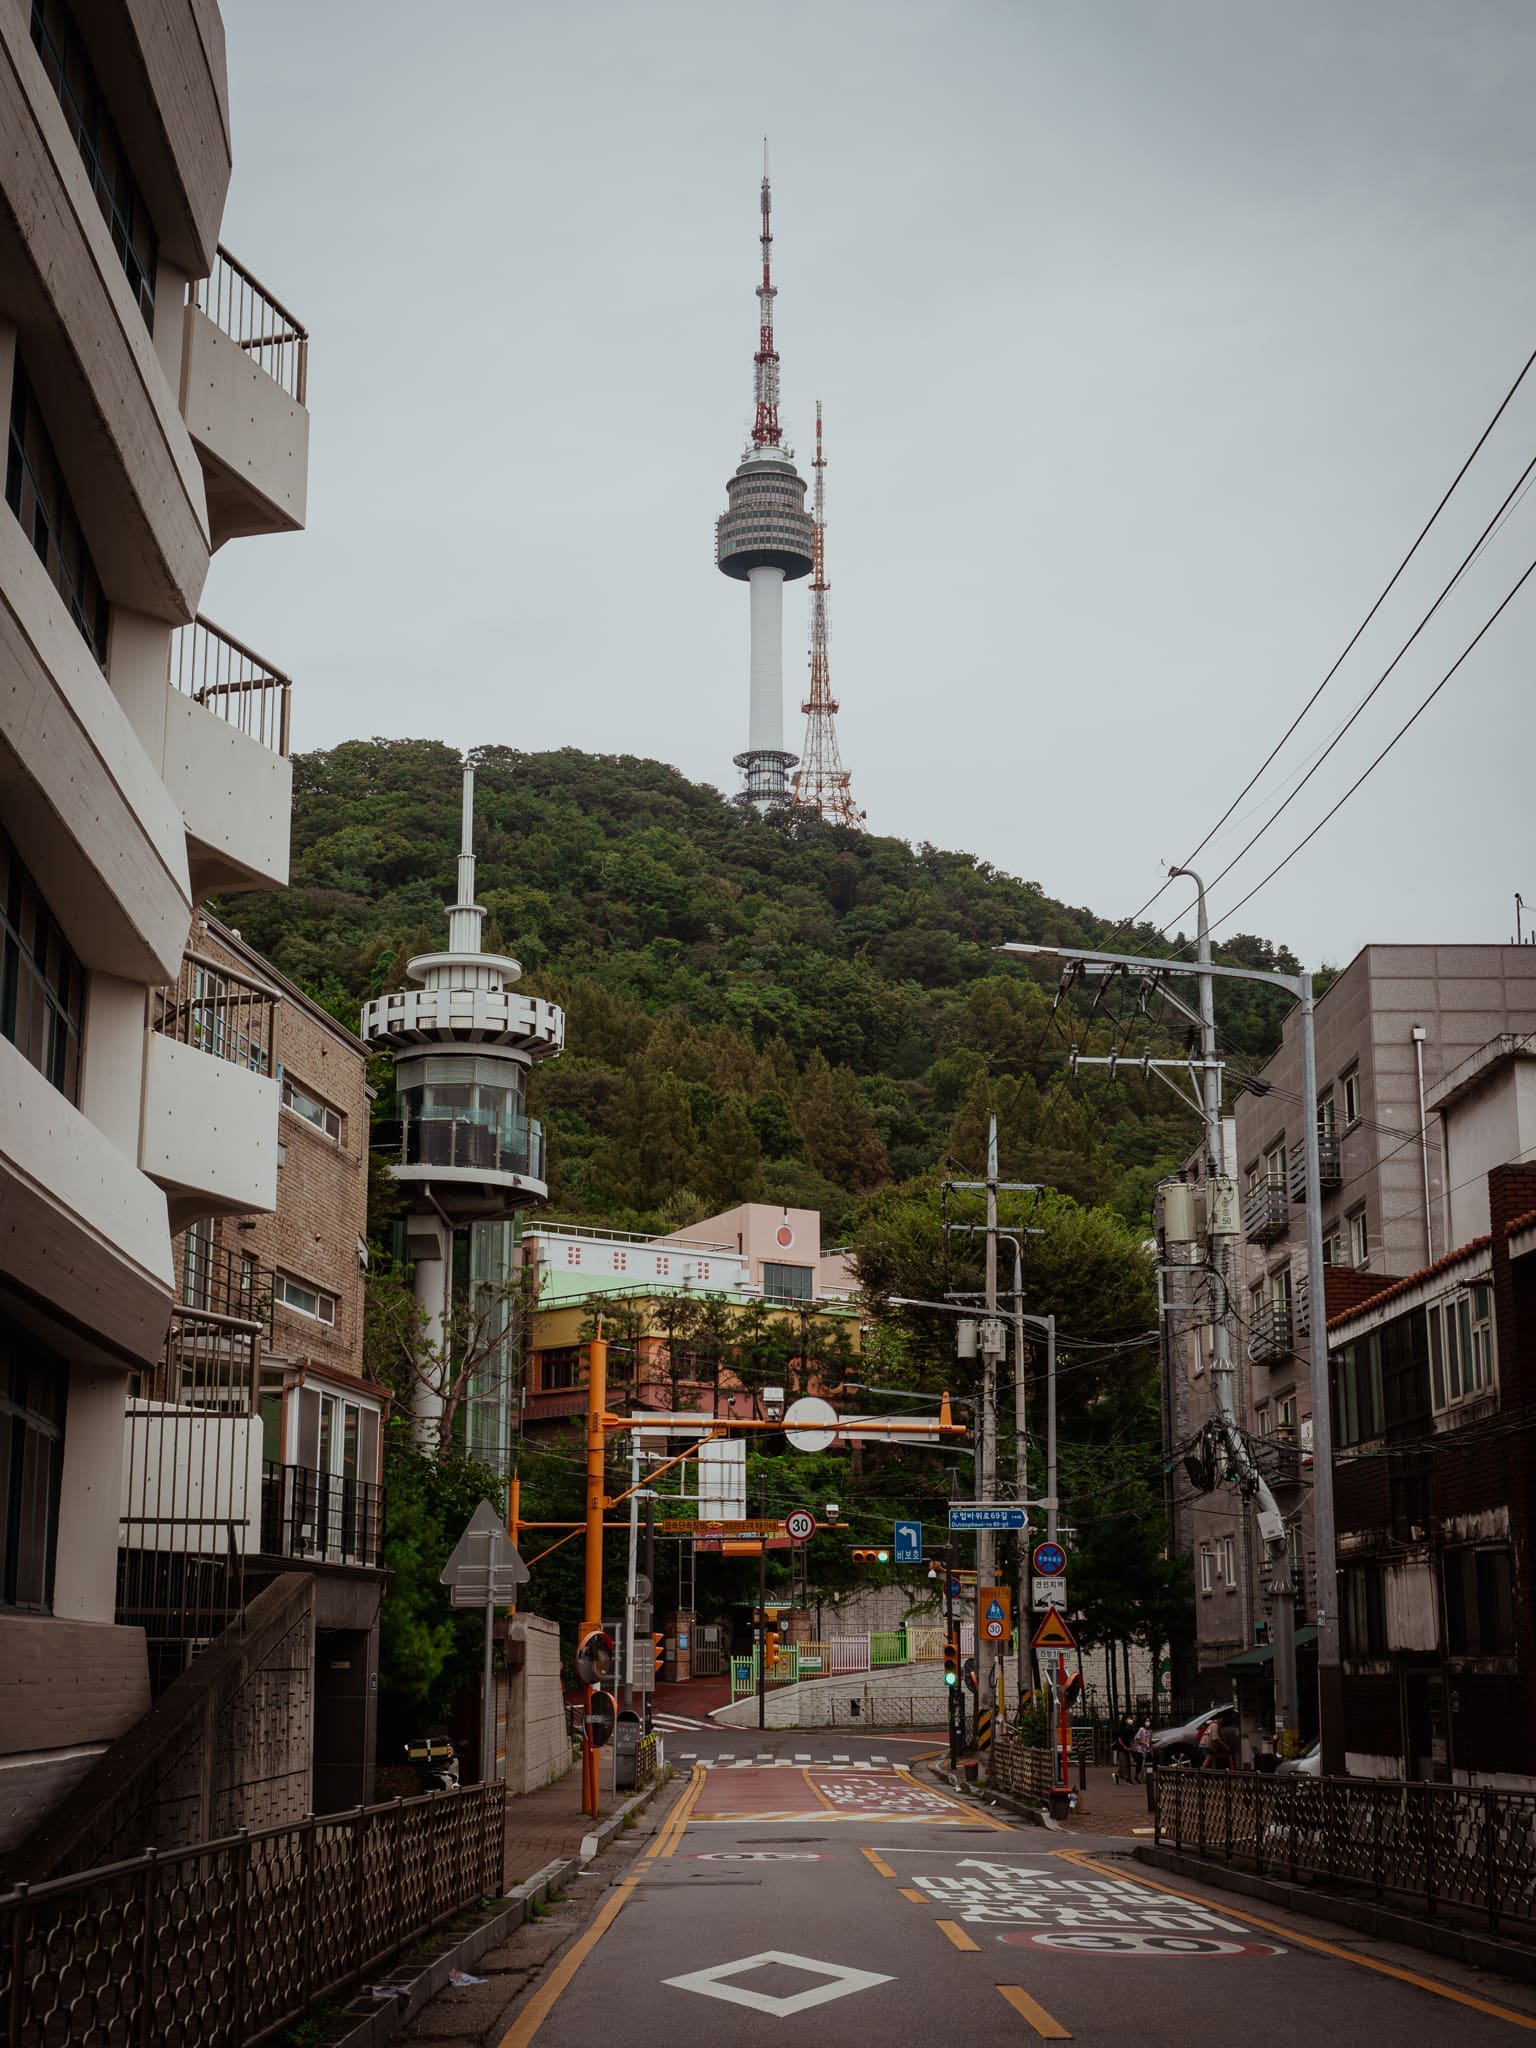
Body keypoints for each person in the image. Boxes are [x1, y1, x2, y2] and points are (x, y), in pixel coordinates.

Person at [1112, 1715, 1136, 1783]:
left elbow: (1132, 1740)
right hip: (1121, 1748)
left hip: (1128, 1748)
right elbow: (1119, 1739)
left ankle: (1117, 1775)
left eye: (1130, 1719)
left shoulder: (1131, 1730)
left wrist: (1131, 1747)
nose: (1130, 1720)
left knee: (1128, 1763)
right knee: (1124, 1763)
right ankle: (1127, 1779)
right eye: (1128, 1719)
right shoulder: (1120, 1729)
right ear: (1125, 1720)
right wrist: (1125, 1747)